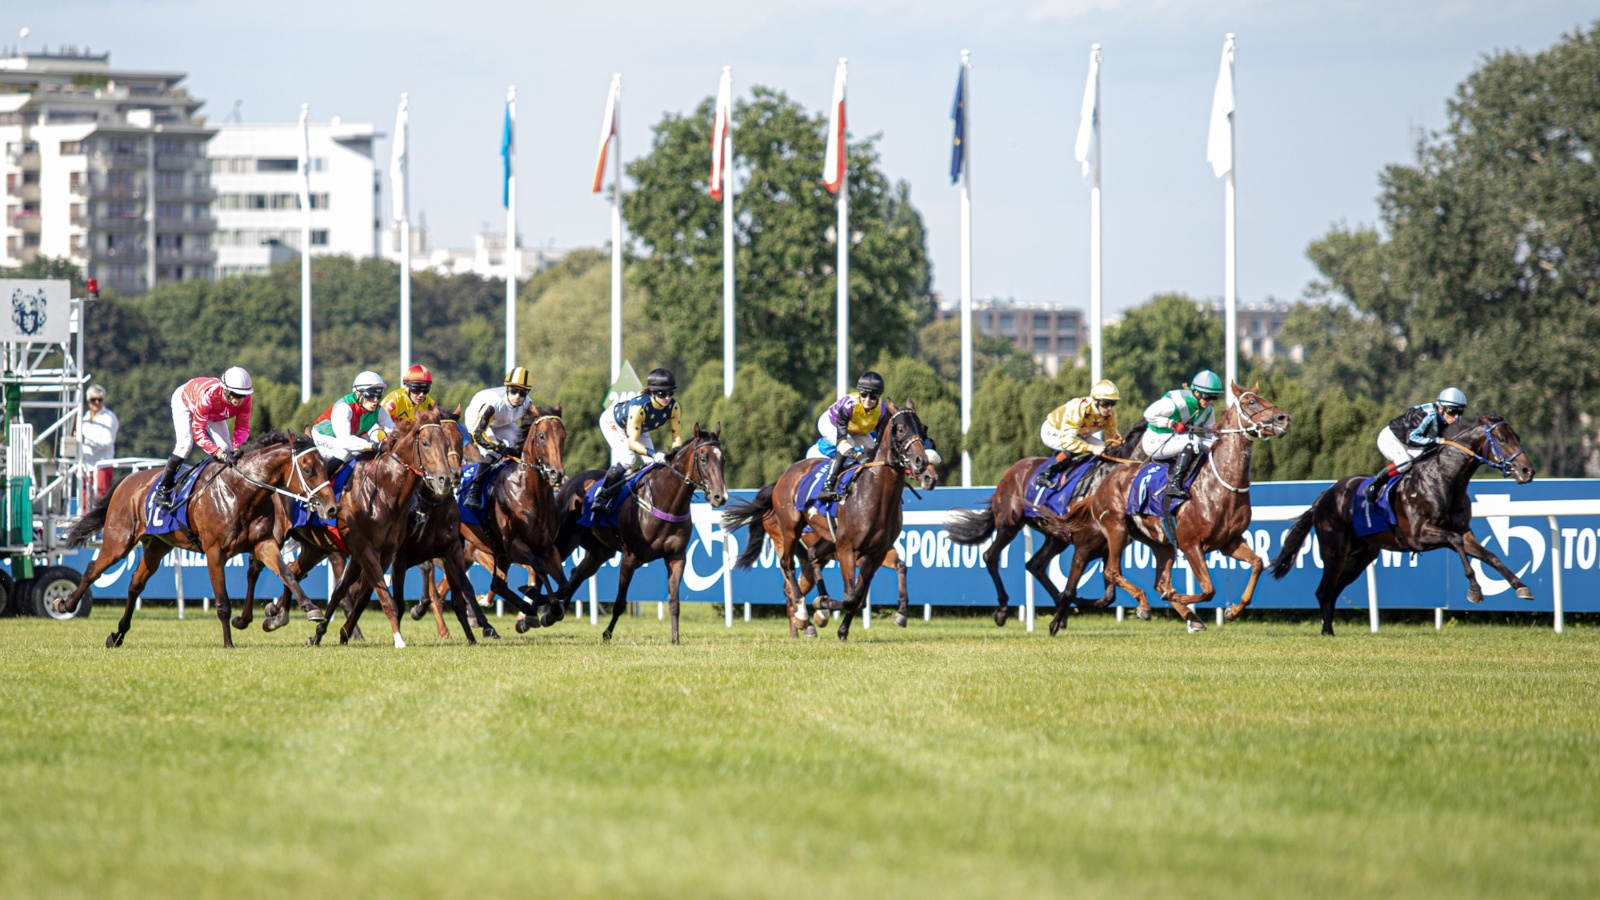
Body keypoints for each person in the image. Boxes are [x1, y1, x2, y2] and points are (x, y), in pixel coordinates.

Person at [154, 367, 254, 510]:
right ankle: (162, 489)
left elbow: (243, 427)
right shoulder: (207, 397)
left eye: (242, 395)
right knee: (185, 444)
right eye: (235, 394)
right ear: (225, 390)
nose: (239, 399)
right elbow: (199, 434)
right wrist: (219, 454)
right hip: (185, 400)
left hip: (214, 412)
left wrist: (237, 446)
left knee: (228, 448)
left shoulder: (246, 400)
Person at [592, 367, 682, 515]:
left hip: (640, 427)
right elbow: (632, 443)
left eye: (670, 393)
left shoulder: (674, 407)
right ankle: (602, 495)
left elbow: (676, 437)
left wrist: (676, 456)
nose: (667, 398)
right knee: (629, 459)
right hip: (613, 422)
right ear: (652, 392)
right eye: (662, 393)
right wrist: (654, 453)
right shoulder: (639, 407)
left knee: (653, 465)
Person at [1364, 387, 1467, 504]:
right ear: (1440, 407)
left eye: (1460, 412)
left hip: (1408, 442)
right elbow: (1412, 437)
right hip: (1391, 438)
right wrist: (1437, 441)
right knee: (1405, 462)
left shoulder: (1447, 420)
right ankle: (1375, 485)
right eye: (1451, 412)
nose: (1455, 417)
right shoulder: (1427, 416)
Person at [1141, 369, 1224, 502]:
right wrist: (1170, 423)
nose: (1210, 401)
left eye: (1214, 397)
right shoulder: (1176, 402)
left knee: (1217, 446)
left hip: (1179, 440)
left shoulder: (1208, 411)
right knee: (1194, 441)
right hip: (1155, 441)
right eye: (1208, 397)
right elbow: (1148, 413)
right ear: (1196, 392)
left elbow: (1210, 434)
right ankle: (1175, 484)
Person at [461, 367, 536, 513]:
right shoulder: (494, 403)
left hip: (503, 422)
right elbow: (478, 434)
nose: (517, 396)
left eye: (522, 393)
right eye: (514, 390)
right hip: (478, 421)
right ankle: (473, 493)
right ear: (507, 388)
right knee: (494, 453)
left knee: (520, 448)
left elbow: (529, 432)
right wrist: (497, 447)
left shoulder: (528, 404)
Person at [812, 371, 888, 503]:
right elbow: (842, 442)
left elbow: (880, 441)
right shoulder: (848, 406)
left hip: (857, 428)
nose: (867, 400)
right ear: (859, 393)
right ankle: (827, 486)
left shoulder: (882, 410)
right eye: (864, 395)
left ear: (879, 396)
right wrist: (858, 456)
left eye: (873, 397)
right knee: (849, 445)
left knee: (872, 450)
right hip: (831, 423)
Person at [1035, 379, 1122, 489]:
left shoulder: (1111, 414)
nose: (1109, 408)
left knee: (1106, 450)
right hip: (1054, 430)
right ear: (1095, 401)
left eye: (1113, 403)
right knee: (1075, 448)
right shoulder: (1078, 409)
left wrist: (1119, 445)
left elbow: (1112, 436)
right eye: (1105, 403)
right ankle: (1045, 474)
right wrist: (1091, 448)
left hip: (1080, 433)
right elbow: (1068, 442)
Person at [310, 371, 397, 475]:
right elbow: (345, 441)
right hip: (322, 437)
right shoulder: (344, 408)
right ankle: (323, 482)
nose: (375, 401)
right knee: (345, 451)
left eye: (378, 396)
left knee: (372, 451)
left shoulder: (379, 411)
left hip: (346, 438)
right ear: (358, 394)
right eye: (370, 395)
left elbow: (394, 433)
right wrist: (374, 446)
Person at [74, 384, 119, 508]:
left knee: (100, 499)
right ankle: (84, 523)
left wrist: (86, 440)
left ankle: (98, 526)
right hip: (85, 466)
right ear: (88, 401)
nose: (97, 403)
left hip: (102, 465)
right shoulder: (84, 418)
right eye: (94, 400)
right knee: (84, 500)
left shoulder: (109, 418)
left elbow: (107, 442)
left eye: (100, 399)